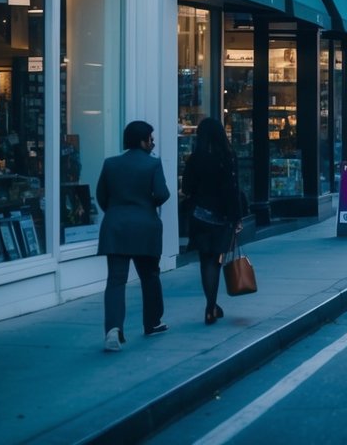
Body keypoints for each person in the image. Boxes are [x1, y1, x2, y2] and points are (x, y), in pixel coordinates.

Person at [96, 120, 171, 351]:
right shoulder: (152, 164)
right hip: (145, 227)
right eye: (150, 138)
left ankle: (113, 330)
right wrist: (146, 205)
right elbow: (162, 194)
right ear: (142, 141)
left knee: (116, 280)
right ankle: (152, 322)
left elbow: (101, 196)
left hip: (116, 227)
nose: (153, 142)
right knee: (149, 276)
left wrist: (118, 210)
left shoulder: (110, 164)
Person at [181, 117, 244, 327]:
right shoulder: (227, 157)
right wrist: (237, 218)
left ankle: (210, 306)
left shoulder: (195, 159)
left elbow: (187, 188)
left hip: (200, 216)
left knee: (205, 260)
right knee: (216, 260)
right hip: (221, 217)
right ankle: (212, 306)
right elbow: (233, 190)